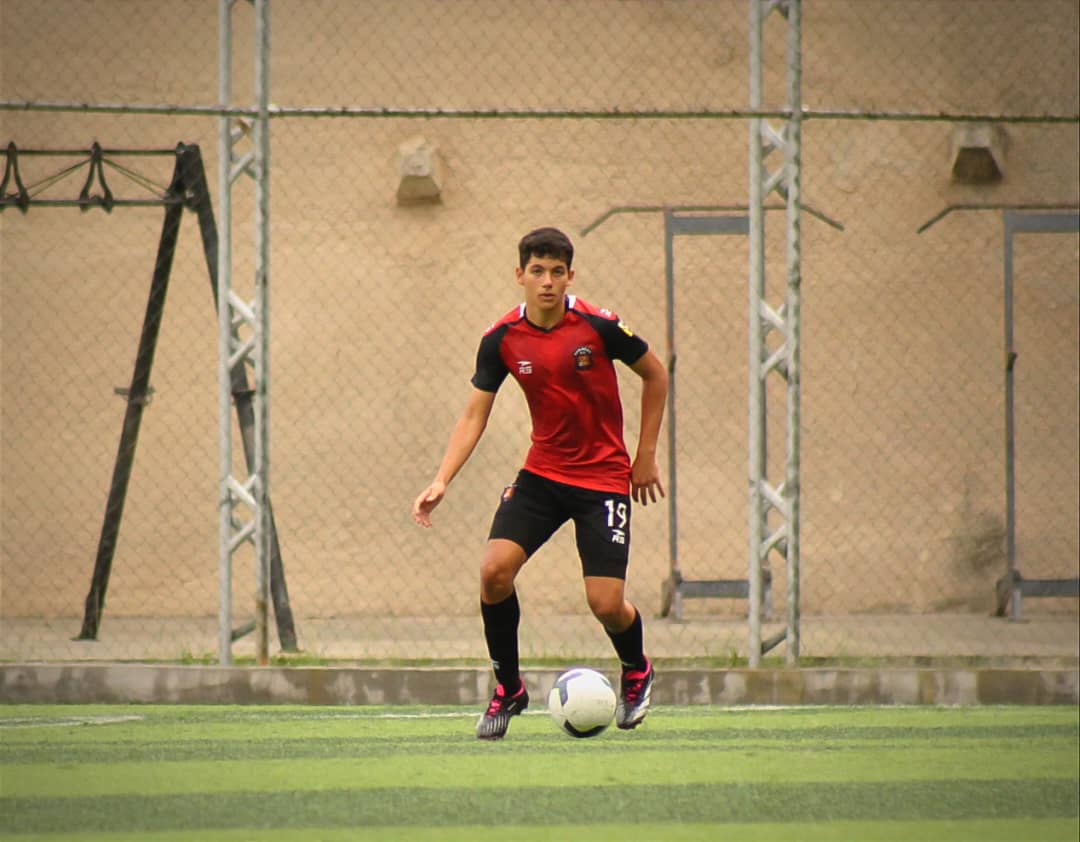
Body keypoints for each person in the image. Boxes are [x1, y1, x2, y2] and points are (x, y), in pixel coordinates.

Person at [412, 226, 668, 740]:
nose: (546, 281)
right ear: (520, 276)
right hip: (542, 474)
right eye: (537, 271)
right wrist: (442, 479)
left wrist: (644, 456)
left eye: (556, 272)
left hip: (602, 480)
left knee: (605, 604)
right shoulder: (502, 339)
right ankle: (509, 688)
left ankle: (637, 670)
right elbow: (472, 416)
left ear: (570, 275)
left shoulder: (599, 326)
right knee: (493, 572)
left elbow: (656, 375)